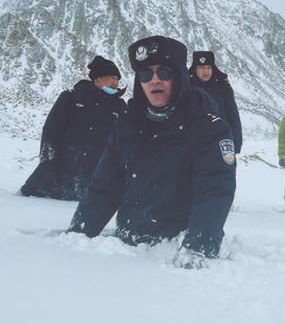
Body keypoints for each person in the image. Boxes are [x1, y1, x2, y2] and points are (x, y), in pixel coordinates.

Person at [68, 36, 236, 268]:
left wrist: (197, 250)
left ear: (178, 77)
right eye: (146, 75)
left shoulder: (209, 128)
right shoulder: (126, 125)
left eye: (164, 73)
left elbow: (214, 191)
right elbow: (105, 187)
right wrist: (77, 234)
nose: (155, 80)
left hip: (177, 253)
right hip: (127, 249)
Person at [20, 56, 127, 200]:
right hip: (52, 179)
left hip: (90, 185)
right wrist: (49, 167)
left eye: (117, 78)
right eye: (110, 77)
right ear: (97, 78)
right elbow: (50, 133)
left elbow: (122, 145)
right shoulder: (71, 98)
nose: (115, 82)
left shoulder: (120, 107)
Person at [189, 51, 242, 154]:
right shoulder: (187, 87)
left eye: (208, 68)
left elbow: (233, 115)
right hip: (194, 143)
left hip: (221, 140)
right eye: (202, 68)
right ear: (195, 69)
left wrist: (236, 142)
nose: (206, 71)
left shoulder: (223, 87)